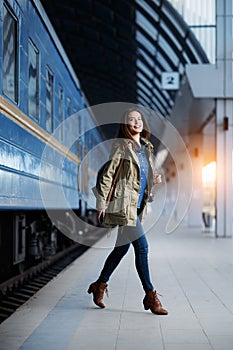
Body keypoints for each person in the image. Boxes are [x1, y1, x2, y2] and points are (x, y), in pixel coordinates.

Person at [88, 107, 168, 315]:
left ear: (143, 123)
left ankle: (100, 284)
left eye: (139, 119)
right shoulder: (121, 146)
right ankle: (151, 296)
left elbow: (145, 177)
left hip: (138, 206)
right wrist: (101, 202)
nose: (136, 122)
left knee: (121, 248)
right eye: (131, 120)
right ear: (126, 125)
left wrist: (154, 179)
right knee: (142, 248)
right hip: (125, 205)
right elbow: (109, 173)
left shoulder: (147, 147)